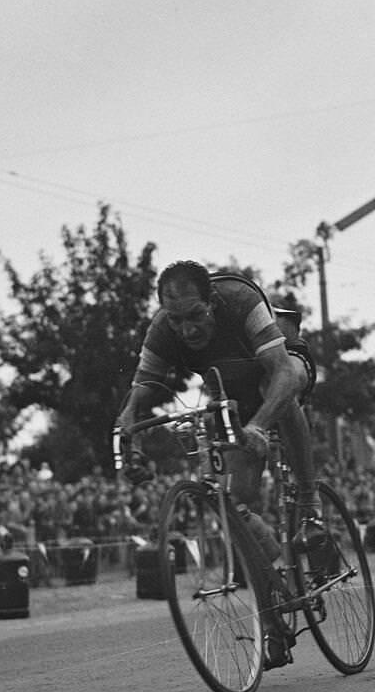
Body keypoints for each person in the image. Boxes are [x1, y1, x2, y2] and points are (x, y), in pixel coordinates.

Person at [116, 260, 318, 669]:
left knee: (279, 385)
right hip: (227, 388)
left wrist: (259, 426)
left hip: (279, 365)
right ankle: (275, 604)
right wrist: (128, 439)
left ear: (212, 302)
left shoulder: (240, 301)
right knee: (234, 505)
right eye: (176, 320)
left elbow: (279, 370)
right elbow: (137, 398)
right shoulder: (162, 329)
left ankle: (310, 502)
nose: (187, 330)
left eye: (195, 316)